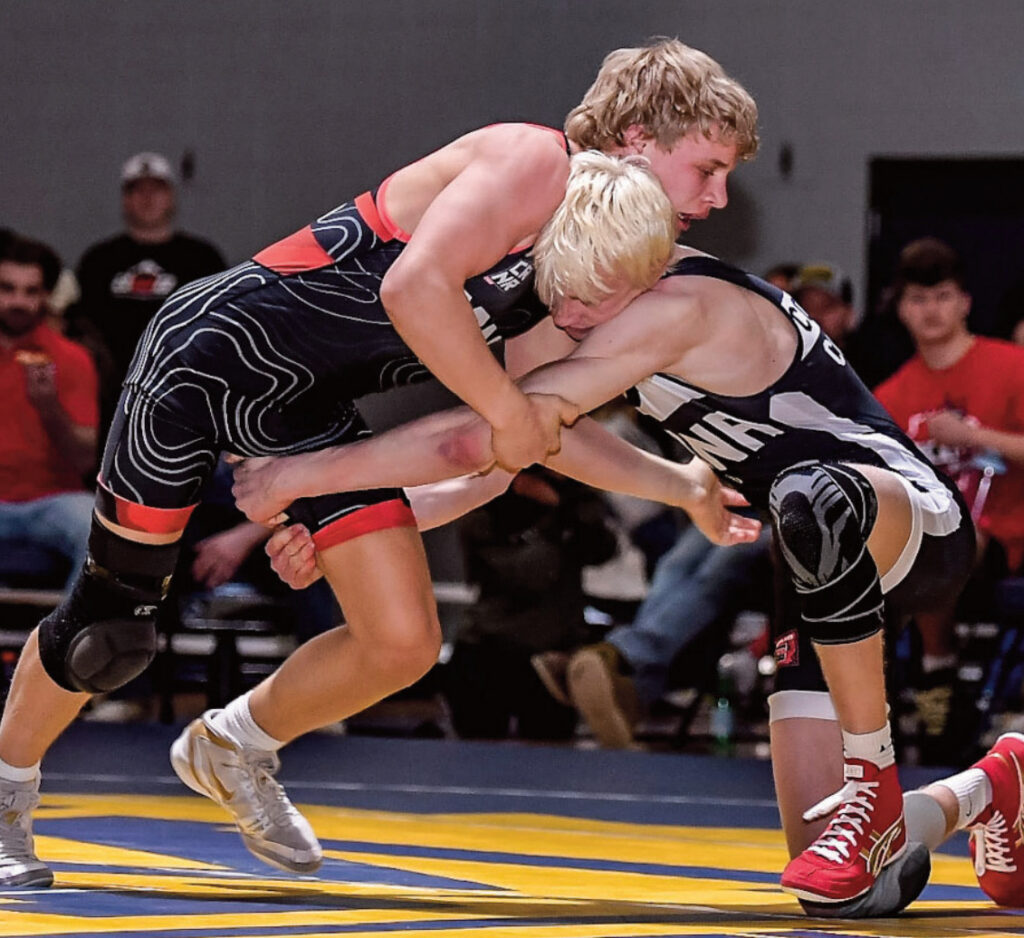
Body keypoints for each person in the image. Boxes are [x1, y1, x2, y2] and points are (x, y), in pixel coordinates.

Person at [0, 40, 761, 889]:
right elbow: (415, 291)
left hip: (306, 409)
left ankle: (233, 745)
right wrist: (508, 417)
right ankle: (4, 794)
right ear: (638, 138)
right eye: (709, 169)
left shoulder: (581, 266)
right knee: (111, 631)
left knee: (401, 640)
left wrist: (683, 485)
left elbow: (526, 440)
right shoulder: (532, 161)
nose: (718, 197)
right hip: (206, 357)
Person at [234, 150, 977, 911]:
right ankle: (991, 785)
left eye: (589, 298)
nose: (570, 318)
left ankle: (872, 779)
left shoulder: (680, 306)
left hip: (906, 523)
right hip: (808, 558)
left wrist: (305, 476)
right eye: (558, 294)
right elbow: (499, 463)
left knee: (811, 496)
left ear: (641, 269)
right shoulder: (600, 293)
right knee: (838, 890)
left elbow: (474, 435)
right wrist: (354, 530)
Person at [874, 238, 1024, 762]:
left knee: (944, 540)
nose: (930, 310)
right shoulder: (891, 396)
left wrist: (975, 437)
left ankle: (936, 672)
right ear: (901, 309)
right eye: (918, 299)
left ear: (964, 302)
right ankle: (883, 692)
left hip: (1003, 533)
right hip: (920, 537)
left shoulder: (1011, 366)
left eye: (942, 296)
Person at [68, 152, 227, 433]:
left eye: (156, 190)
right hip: (114, 399)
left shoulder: (202, 258)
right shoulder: (99, 260)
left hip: (185, 397)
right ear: (125, 199)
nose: (148, 198)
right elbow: (79, 328)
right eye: (138, 190)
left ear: (171, 197)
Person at [0, 236, 98, 591]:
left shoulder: (71, 358)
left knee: (99, 529)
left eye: (31, 291)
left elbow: (86, 460)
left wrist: (49, 407)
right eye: (7, 289)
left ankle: (67, 627)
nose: (18, 302)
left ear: (46, 296)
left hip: (51, 502)